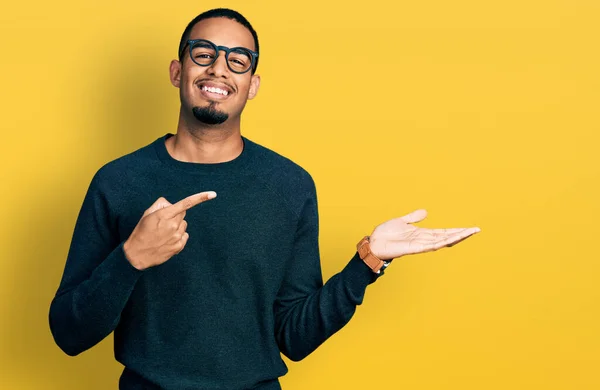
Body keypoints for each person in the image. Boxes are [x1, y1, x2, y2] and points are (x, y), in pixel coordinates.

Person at [49, 8, 480, 390]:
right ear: (177, 71)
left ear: (251, 85)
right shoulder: (118, 180)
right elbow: (69, 333)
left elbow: (294, 337)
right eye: (203, 53)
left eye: (237, 61)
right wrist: (131, 258)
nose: (219, 69)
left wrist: (367, 263)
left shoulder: (288, 185)